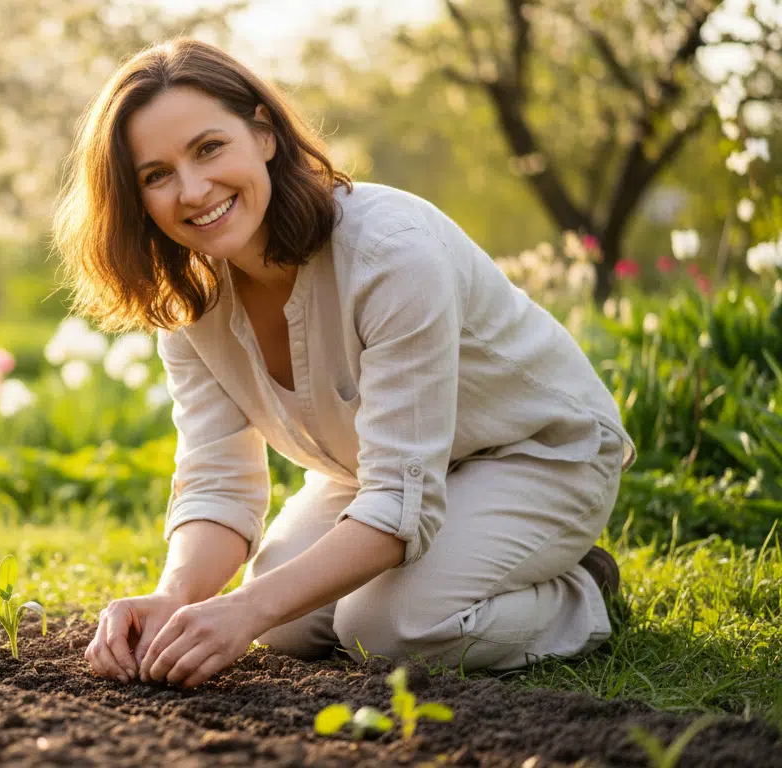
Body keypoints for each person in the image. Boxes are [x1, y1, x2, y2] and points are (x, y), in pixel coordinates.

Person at [52, 38, 636, 689]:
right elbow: (219, 483)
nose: (192, 189)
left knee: (385, 628)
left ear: (264, 134)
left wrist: (244, 606)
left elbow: (397, 502)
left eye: (209, 148)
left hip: (535, 455)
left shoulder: (390, 251)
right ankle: (456, 569)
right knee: (285, 626)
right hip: (376, 470)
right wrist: (174, 597)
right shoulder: (192, 302)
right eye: (155, 175)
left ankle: (582, 591)